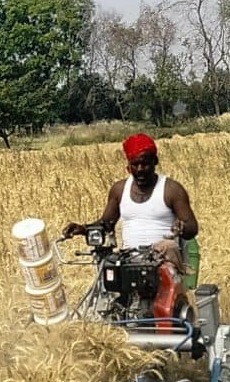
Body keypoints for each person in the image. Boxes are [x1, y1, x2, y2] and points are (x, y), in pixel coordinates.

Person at [64, 133, 201, 313]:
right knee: (109, 276)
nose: (140, 169)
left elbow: (192, 227)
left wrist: (182, 228)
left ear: (155, 161)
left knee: (167, 247)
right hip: (129, 259)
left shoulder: (171, 189)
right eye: (134, 164)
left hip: (162, 261)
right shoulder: (120, 190)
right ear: (128, 166)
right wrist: (83, 229)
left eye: (145, 163)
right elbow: (106, 224)